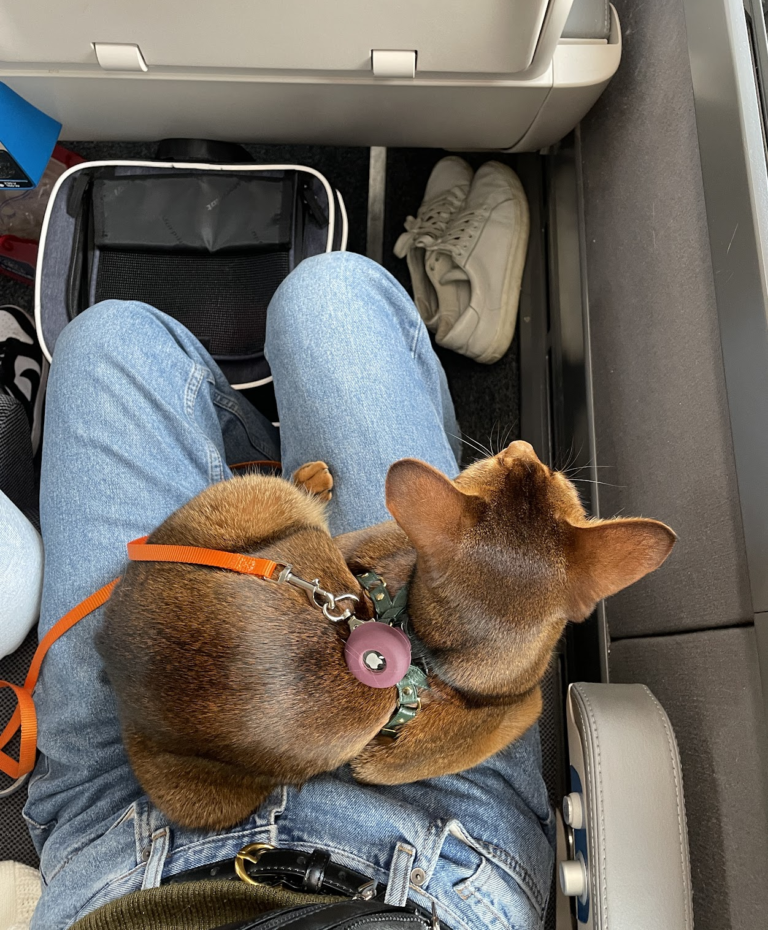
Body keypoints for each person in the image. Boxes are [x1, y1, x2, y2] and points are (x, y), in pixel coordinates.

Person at [21, 251, 554, 930]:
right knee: (327, 297)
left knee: (107, 339)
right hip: (427, 830)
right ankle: (282, 451)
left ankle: (252, 453)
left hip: (130, 834)